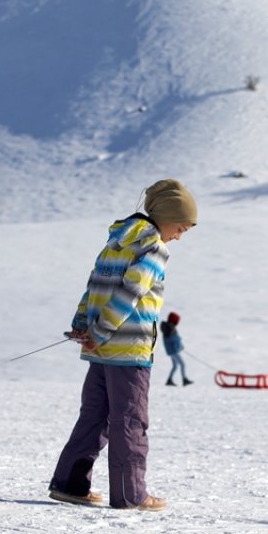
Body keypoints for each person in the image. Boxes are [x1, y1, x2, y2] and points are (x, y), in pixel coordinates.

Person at [49, 178, 197, 512]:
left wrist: (83, 325)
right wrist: (100, 331)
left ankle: (70, 485)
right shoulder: (154, 248)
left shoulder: (116, 242)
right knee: (130, 421)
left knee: (94, 417)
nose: (179, 235)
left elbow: (94, 286)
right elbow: (132, 294)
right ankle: (131, 493)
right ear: (166, 217)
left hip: (99, 349)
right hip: (128, 352)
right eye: (181, 228)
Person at [161, 312, 192, 386]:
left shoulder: (167, 327)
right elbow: (174, 340)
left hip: (171, 351)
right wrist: (179, 347)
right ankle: (184, 379)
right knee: (182, 364)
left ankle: (169, 380)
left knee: (175, 366)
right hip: (174, 351)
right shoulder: (170, 328)